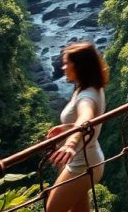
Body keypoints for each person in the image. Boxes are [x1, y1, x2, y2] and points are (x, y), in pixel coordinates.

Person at [45, 42, 108, 212]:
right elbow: (86, 121)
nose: (63, 68)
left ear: (80, 66)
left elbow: (86, 117)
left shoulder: (86, 96)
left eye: (67, 63)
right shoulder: (90, 87)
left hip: (82, 165)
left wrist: (70, 144)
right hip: (90, 159)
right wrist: (67, 128)